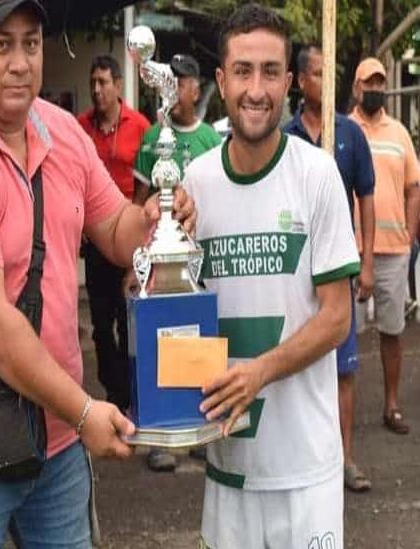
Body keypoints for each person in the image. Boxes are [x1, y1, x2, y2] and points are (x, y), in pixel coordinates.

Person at [0, 1, 195, 548]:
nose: (19, 62)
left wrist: (158, 217)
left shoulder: (62, 132)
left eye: (30, 44)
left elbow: (115, 232)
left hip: (56, 436)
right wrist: (85, 412)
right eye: (2, 44)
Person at [183, 5, 360, 548]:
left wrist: (259, 372)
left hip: (305, 471)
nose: (255, 89)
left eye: (268, 72)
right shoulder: (194, 181)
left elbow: (336, 317)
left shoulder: (316, 174)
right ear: (221, 79)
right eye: (242, 71)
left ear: (288, 81)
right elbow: (176, 309)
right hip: (228, 464)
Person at [284, 45, 375, 492]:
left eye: (330, 73)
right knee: (298, 361)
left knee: (343, 368)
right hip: (294, 273)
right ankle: (304, 459)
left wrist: (369, 259)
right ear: (301, 81)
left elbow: (367, 197)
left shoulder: (350, 135)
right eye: (318, 73)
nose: (326, 81)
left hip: (338, 269)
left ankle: (345, 459)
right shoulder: (285, 136)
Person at [134, 52, 221, 472]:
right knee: (157, 338)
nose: (181, 88)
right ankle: (162, 430)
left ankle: (198, 416)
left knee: (194, 339)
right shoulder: (153, 136)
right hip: (158, 250)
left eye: (186, 81)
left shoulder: (210, 139)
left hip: (196, 254)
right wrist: (134, 259)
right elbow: (140, 202)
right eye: (176, 79)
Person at [350, 58, 420, 435]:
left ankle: (391, 406)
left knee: (393, 332)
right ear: (357, 88)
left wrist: (410, 237)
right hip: (353, 250)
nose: (375, 89)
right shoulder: (345, 130)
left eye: (380, 83)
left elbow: (414, 188)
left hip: (394, 251)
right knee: (345, 335)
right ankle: (343, 411)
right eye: (368, 83)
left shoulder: (399, 134)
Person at [77, 55, 150, 412]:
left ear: (118, 86)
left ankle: (133, 395)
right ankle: (115, 394)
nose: (96, 89)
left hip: (129, 240)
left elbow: (147, 185)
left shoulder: (139, 126)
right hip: (94, 241)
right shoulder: (81, 127)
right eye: (93, 82)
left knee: (129, 318)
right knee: (101, 325)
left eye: (103, 82)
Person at [134, 53, 221, 195]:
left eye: (179, 85)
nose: (171, 91)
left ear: (196, 93)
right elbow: (138, 204)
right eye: (168, 83)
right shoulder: (152, 138)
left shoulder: (213, 142)